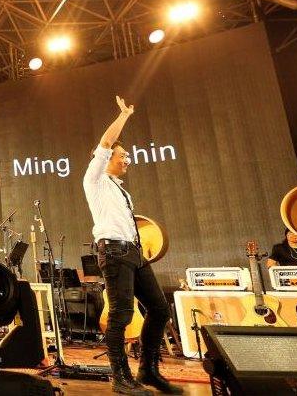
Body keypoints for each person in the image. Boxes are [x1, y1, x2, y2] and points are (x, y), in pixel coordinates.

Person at [84, 96, 181, 395]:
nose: (127, 159)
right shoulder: (95, 179)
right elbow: (106, 141)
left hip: (134, 254)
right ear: (107, 158)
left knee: (160, 308)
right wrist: (124, 114)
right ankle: (120, 377)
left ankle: (148, 371)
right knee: (121, 315)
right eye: (122, 154)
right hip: (113, 253)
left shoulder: (121, 191)